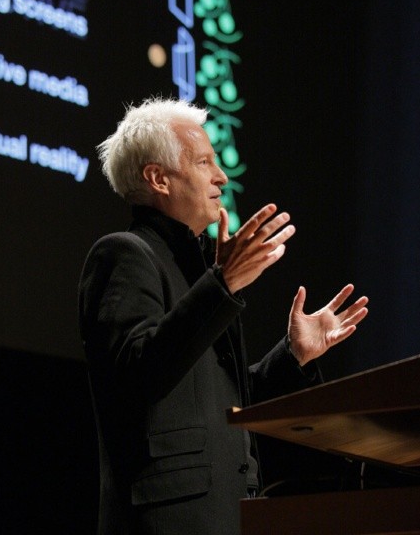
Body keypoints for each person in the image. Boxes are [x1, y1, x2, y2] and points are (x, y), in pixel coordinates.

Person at [78, 97, 368, 535]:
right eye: (203, 162)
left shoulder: (198, 272)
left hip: (231, 515)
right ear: (157, 178)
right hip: (167, 521)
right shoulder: (123, 254)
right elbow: (139, 374)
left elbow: (222, 402)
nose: (221, 176)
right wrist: (222, 283)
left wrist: (292, 354)